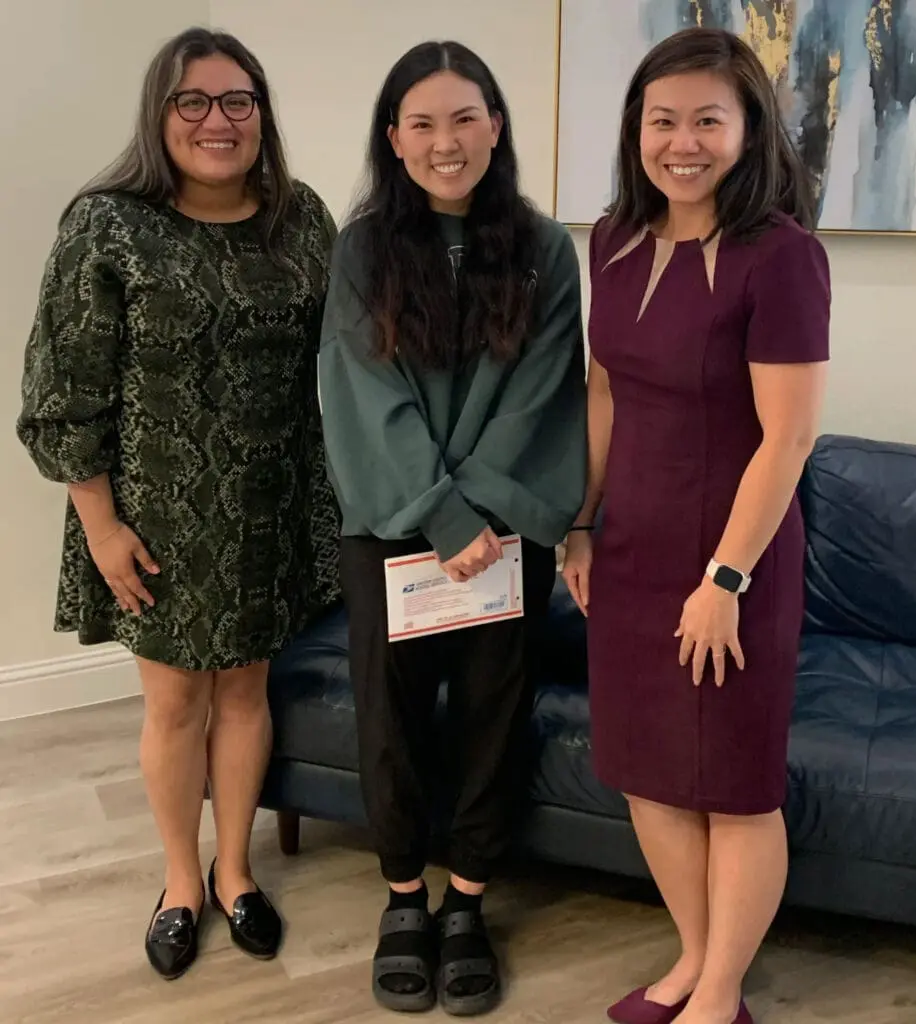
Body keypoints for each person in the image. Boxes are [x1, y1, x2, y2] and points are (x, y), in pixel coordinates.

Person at [16, 28, 341, 980]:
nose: (217, 120)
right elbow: (63, 389)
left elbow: (352, 351)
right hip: (151, 516)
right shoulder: (107, 224)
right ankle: (178, 884)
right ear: (160, 114)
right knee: (174, 704)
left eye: (238, 100)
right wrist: (101, 527)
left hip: (272, 501)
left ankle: (235, 871)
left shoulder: (302, 217)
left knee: (245, 693)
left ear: (261, 115)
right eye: (192, 101)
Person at [562, 27, 830, 1024]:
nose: (682, 142)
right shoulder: (611, 239)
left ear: (747, 129)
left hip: (734, 560)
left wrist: (722, 582)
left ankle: (719, 994)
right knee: (646, 770)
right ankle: (690, 954)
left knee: (733, 783)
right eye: (661, 120)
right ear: (636, 129)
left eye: (706, 121)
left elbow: (788, 438)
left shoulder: (783, 258)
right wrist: (578, 522)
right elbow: (603, 394)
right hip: (628, 546)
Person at [318, 40, 587, 1017]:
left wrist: (475, 511)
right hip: (390, 525)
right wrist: (435, 511)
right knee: (389, 722)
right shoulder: (359, 250)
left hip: (505, 528)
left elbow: (543, 393)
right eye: (422, 123)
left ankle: (466, 899)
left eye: (464, 118)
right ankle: (402, 897)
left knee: (491, 715)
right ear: (393, 138)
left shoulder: (545, 248)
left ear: (495, 126)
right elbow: (358, 392)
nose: (445, 141)